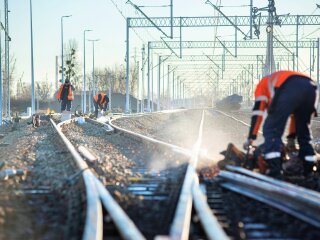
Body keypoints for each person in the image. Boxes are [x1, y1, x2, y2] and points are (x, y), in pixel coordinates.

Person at [243, 70, 318, 178]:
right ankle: (309, 168)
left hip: (289, 87)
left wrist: (251, 137)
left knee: (271, 129)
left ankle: (274, 170)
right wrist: (291, 137)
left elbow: (258, 112)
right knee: (304, 131)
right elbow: (295, 118)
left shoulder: (262, 84)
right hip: (311, 88)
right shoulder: (278, 81)